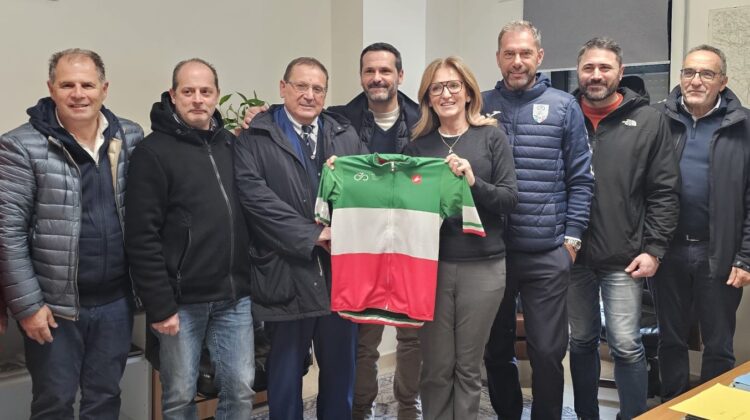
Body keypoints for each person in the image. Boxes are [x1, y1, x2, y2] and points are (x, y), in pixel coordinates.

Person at [0, 48, 144, 420]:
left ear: (104, 89)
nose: (78, 94)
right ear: (51, 88)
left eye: (87, 85)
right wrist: (28, 307)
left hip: (115, 301)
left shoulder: (129, 136)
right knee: (54, 403)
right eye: (67, 85)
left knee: (105, 398)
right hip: (54, 308)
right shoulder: (20, 145)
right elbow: (8, 233)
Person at [234, 57, 368, 420]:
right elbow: (256, 201)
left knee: (341, 375)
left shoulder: (345, 135)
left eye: (318, 88)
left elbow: (366, 191)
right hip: (285, 274)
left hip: (339, 278)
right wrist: (314, 234)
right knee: (285, 378)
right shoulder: (255, 138)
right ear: (283, 88)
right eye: (301, 86)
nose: (309, 95)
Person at [124, 58, 254, 419]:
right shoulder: (152, 152)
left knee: (240, 388)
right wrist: (159, 304)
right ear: (173, 95)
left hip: (234, 296)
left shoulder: (231, 145)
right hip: (181, 302)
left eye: (205, 91)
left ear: (216, 95)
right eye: (189, 91)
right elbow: (141, 236)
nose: (198, 99)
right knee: (180, 395)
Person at [481, 20, 594, 420]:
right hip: (491, 254)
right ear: (498, 58)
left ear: (539, 57)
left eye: (525, 53)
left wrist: (571, 242)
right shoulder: (478, 105)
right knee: (496, 351)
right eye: (509, 53)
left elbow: (581, 179)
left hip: (547, 253)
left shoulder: (564, 107)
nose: (517, 61)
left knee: (547, 352)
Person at [566, 37, 680, 420]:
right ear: (578, 72)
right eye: (588, 67)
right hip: (573, 255)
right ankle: (586, 415)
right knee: (580, 341)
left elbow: (664, 191)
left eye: (605, 67)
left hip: (625, 258)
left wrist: (654, 250)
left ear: (621, 72)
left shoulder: (649, 120)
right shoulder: (565, 115)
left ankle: (633, 415)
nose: (596, 75)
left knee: (627, 346)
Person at [404, 56, 517, 420]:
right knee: (436, 367)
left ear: (468, 93)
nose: (446, 94)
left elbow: (509, 199)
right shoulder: (417, 147)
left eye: (454, 85)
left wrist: (473, 181)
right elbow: (401, 206)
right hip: (431, 269)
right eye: (436, 88)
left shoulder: (491, 138)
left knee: (468, 367)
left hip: (484, 268)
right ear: (428, 98)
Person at [326, 42, 422, 420]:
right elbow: (295, 115)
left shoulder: (424, 121)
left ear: (400, 75)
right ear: (361, 76)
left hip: (411, 242)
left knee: (411, 336)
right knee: (363, 339)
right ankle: (360, 409)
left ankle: (408, 407)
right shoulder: (339, 121)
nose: (377, 78)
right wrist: (261, 114)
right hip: (362, 244)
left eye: (385, 71)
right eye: (370, 71)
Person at [653, 44, 750, 401]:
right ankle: (671, 407)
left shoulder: (744, 126)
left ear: (723, 81)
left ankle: (713, 412)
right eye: (689, 72)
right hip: (667, 251)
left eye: (706, 74)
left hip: (719, 253)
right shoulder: (657, 120)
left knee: (719, 344)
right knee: (670, 339)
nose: (695, 80)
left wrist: (746, 257)